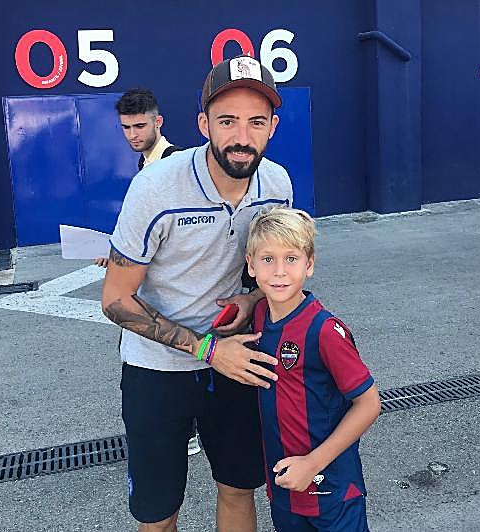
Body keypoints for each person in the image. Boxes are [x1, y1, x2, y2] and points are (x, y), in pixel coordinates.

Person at [101, 55, 293, 531]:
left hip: (238, 361)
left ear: (273, 127)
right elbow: (116, 299)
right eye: (227, 121)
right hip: (157, 371)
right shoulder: (156, 187)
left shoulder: (277, 184)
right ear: (203, 124)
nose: (242, 137)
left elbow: (270, 269)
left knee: (239, 489)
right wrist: (207, 349)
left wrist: (252, 299)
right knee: (159, 513)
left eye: (256, 122)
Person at [244, 206, 381, 532]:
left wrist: (312, 463)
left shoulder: (324, 331)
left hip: (332, 491)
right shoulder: (259, 315)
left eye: (291, 259)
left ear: (309, 265)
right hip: (284, 488)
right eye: (267, 259)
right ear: (251, 265)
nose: (279, 271)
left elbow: (369, 404)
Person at [94, 89, 182, 268]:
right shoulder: (145, 163)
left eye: (140, 126)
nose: (132, 135)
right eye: (126, 127)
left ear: (158, 122)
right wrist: (119, 250)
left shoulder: (176, 162)